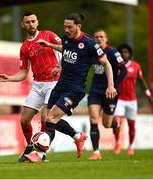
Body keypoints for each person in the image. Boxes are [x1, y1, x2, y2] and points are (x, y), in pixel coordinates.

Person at [0, 11, 88, 162]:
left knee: (46, 117)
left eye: (33, 21)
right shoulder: (24, 47)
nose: (31, 24)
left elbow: (68, 49)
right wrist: (10, 78)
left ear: (37, 22)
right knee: (24, 120)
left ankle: (41, 154)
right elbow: (23, 73)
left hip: (54, 81)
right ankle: (35, 146)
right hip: (37, 85)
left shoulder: (48, 35)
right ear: (22, 24)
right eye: (27, 22)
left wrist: (54, 54)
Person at [24, 13, 117, 163]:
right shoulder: (66, 38)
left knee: (52, 118)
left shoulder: (90, 44)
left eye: (69, 27)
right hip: (60, 85)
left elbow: (106, 64)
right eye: (65, 26)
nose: (66, 30)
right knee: (47, 117)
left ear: (78, 27)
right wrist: (56, 61)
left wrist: (111, 85)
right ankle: (78, 136)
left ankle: (39, 155)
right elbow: (65, 49)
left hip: (75, 89)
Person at [87, 29, 126, 160]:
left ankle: (116, 123)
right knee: (93, 119)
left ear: (106, 38)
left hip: (110, 92)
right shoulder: (92, 52)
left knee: (107, 124)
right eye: (96, 37)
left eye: (101, 37)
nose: (99, 39)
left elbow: (124, 70)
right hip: (95, 91)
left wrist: (114, 86)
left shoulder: (112, 52)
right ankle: (96, 152)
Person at [113, 43, 153, 155]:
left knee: (131, 125)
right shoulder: (116, 66)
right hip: (119, 99)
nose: (124, 54)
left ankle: (130, 146)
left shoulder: (135, 66)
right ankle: (117, 143)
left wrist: (148, 94)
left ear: (129, 54)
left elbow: (141, 81)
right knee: (117, 123)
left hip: (132, 100)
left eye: (126, 52)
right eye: (121, 52)